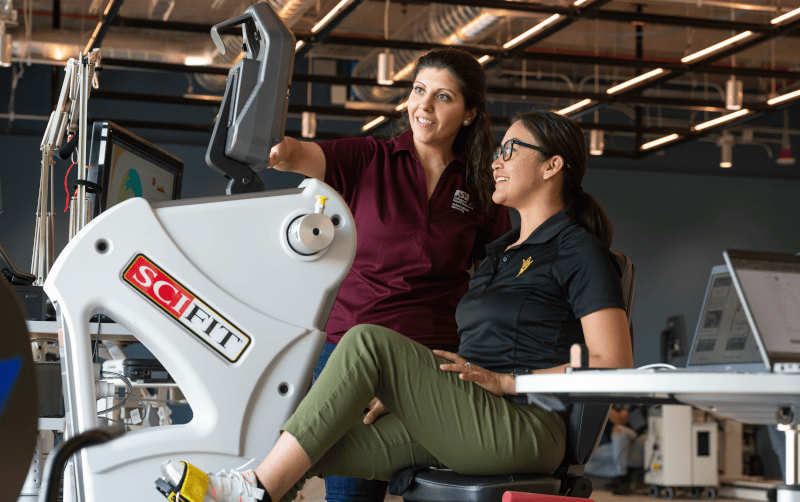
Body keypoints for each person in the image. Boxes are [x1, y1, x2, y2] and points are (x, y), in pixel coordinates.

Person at [155, 109, 634, 502]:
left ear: (552, 166)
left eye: (512, 149)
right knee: (301, 441)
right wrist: (412, 390)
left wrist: (508, 382)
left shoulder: (578, 250)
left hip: (528, 429)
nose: (496, 160)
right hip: (471, 414)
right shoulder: (497, 256)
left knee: (367, 340)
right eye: (498, 149)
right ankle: (246, 490)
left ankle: (251, 493)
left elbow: (614, 366)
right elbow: (473, 354)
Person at [267, 48, 511, 502]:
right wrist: (276, 146)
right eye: (419, 90)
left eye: (443, 97)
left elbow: (494, 283)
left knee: (433, 491)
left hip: (431, 359)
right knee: (353, 494)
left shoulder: (479, 186)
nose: (424, 105)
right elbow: (299, 155)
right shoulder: (368, 158)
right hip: (350, 353)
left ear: (470, 113)